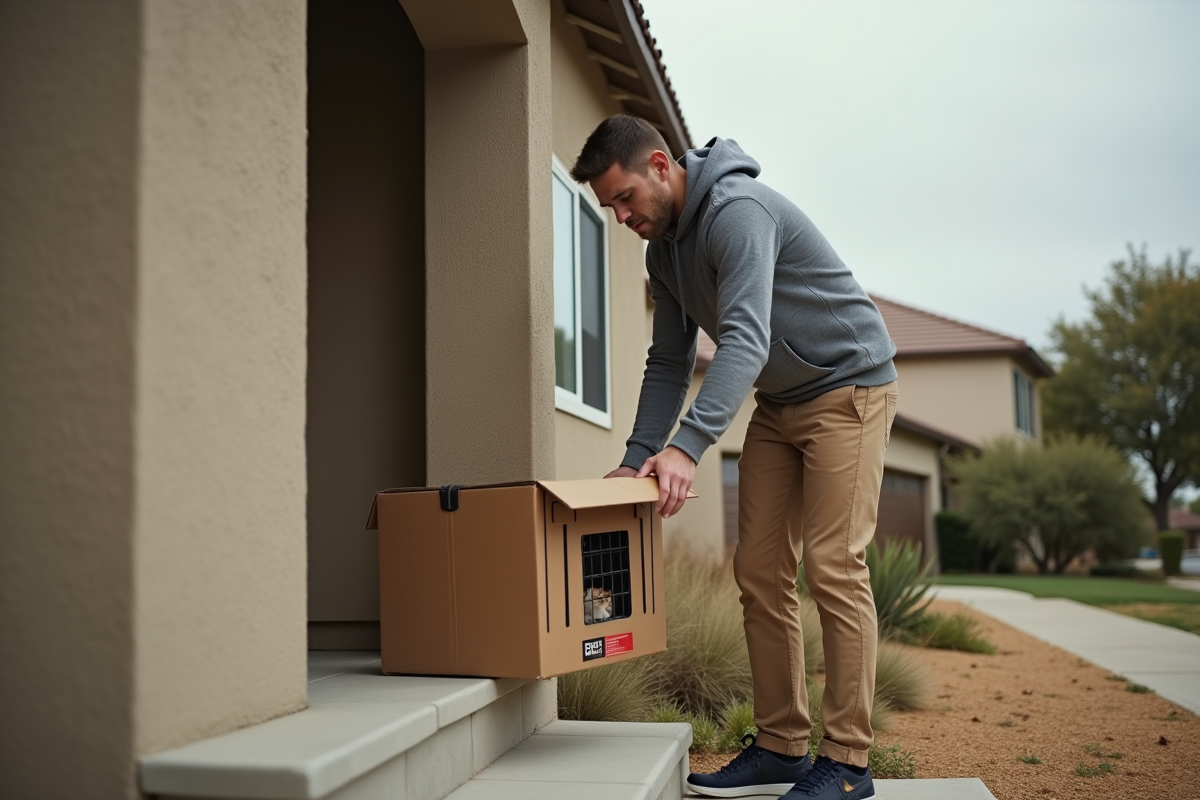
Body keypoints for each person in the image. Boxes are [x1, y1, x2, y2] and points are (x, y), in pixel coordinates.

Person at [570, 115, 898, 800]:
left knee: (835, 564)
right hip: (781, 405)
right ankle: (782, 746)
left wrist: (687, 447)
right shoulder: (664, 252)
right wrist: (636, 460)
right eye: (611, 208)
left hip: (850, 387)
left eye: (626, 197)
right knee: (759, 569)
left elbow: (745, 341)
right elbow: (669, 360)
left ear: (661, 165)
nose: (622, 215)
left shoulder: (737, 213)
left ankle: (847, 765)